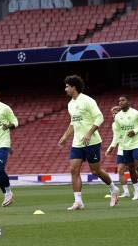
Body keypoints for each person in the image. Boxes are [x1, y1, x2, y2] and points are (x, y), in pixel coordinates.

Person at [58, 75, 120, 210]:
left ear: (74, 87)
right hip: (77, 143)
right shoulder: (70, 104)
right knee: (73, 170)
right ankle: (78, 201)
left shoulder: (87, 100)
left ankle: (113, 189)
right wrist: (65, 137)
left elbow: (99, 118)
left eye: (67, 86)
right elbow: (73, 123)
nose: (65, 89)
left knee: (95, 171)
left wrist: (89, 133)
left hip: (92, 142)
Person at [108, 96, 138, 200]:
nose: (120, 102)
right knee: (130, 168)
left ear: (128, 102)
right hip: (125, 146)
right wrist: (112, 146)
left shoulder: (136, 113)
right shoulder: (118, 117)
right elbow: (117, 134)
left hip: (137, 143)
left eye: (123, 100)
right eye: (119, 101)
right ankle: (137, 191)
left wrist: (135, 131)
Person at [106, 106, 130, 198]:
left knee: (134, 170)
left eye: (116, 112)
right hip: (121, 149)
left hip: (131, 147)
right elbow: (115, 138)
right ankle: (126, 192)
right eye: (113, 113)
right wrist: (110, 149)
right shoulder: (114, 125)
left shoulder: (128, 121)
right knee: (120, 170)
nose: (114, 115)